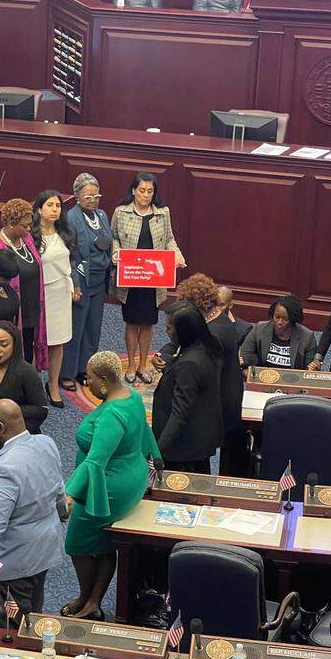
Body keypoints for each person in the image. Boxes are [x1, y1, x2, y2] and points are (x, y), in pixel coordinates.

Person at [61, 351, 160, 619]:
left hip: (106, 489)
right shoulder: (134, 396)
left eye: (90, 379)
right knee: (105, 540)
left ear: (104, 380)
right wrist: (157, 459)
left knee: (77, 543)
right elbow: (145, 431)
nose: (87, 384)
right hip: (132, 476)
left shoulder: (110, 416)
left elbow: (95, 462)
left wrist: (69, 494)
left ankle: (87, 597)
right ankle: (93, 601)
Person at [0, 399, 66, 621]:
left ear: (0, 428)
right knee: (34, 611)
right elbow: (59, 493)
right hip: (46, 546)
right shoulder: (46, 443)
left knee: (13, 626)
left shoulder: (3, 471)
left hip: (14, 560)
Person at [162, 273, 244, 475]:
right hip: (219, 396)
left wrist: (170, 364)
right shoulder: (214, 321)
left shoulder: (216, 334)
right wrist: (164, 354)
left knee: (203, 464)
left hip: (217, 403)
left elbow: (195, 367)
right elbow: (178, 343)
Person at [111, 172, 184, 384]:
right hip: (131, 277)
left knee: (148, 323)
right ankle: (132, 365)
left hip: (153, 278)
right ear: (133, 190)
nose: (145, 195)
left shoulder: (163, 212)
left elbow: (169, 239)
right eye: (141, 190)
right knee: (132, 323)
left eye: (150, 191)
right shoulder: (121, 212)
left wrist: (177, 254)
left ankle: (143, 364)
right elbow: (114, 237)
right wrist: (115, 253)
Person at [152, 300, 223, 473]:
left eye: (169, 328)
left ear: (183, 331)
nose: (165, 331)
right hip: (199, 439)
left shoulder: (189, 364)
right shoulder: (207, 345)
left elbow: (179, 413)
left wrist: (158, 451)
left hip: (183, 449)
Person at [62, 172, 113, 392]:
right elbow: (70, 255)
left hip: (99, 281)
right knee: (76, 328)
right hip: (81, 281)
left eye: (96, 195)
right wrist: (75, 283)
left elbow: (108, 243)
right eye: (88, 196)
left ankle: (85, 369)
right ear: (77, 196)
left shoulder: (102, 215)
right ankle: (66, 373)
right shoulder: (71, 218)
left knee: (93, 328)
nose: (93, 200)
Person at [0, 197, 47, 368]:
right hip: (12, 315)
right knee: (13, 360)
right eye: (24, 226)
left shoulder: (26, 240)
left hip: (31, 309)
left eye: (29, 225)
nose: (28, 230)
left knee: (27, 354)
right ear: (11, 224)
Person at [33, 189, 81, 407]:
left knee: (58, 342)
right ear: (39, 209)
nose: (55, 209)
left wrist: (74, 285)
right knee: (36, 340)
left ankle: (52, 385)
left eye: (58, 206)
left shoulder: (65, 232)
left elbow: (71, 264)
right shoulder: (31, 237)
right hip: (39, 294)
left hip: (61, 292)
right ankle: (32, 386)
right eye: (50, 205)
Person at [0, 320, 48, 436]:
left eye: (4, 344)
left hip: (20, 438)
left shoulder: (26, 372)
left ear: (14, 345)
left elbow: (41, 409)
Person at [241, 294, 318, 370]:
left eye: (285, 319)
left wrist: (314, 367)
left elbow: (309, 371)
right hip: (263, 377)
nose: (279, 322)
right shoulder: (259, 329)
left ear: (293, 319)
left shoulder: (307, 337)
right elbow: (244, 357)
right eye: (277, 317)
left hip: (292, 380)